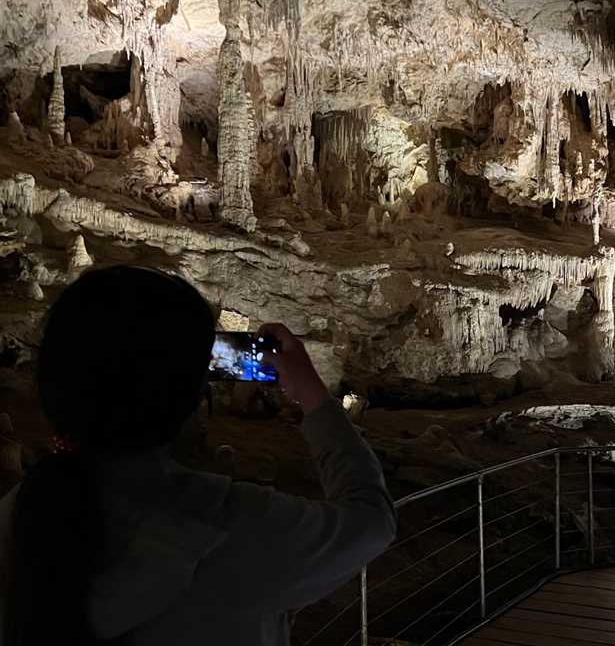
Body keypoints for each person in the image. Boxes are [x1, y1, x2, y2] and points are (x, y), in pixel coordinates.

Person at [0, 266, 396, 645]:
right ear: (191, 399)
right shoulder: (233, 526)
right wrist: (313, 394)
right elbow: (371, 520)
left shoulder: (17, 517)